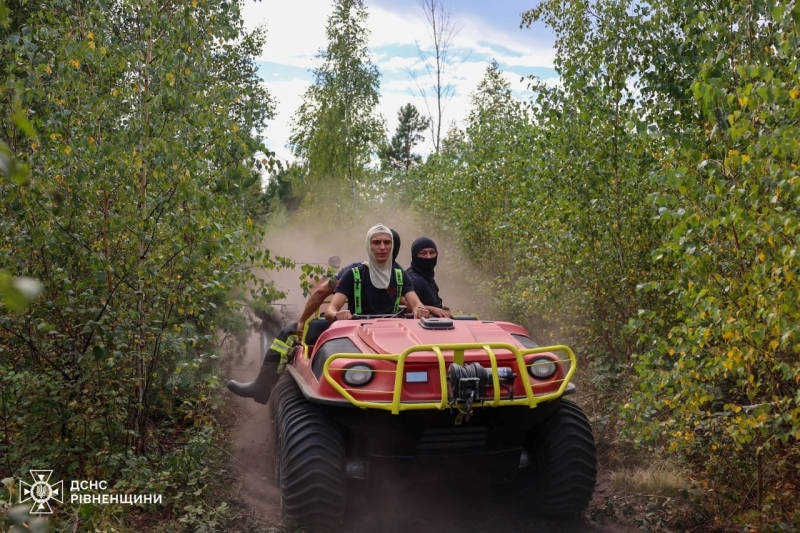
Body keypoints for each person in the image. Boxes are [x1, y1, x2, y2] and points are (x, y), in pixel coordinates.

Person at [226, 228, 403, 404]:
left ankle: (262, 387)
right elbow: (410, 303)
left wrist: (302, 320)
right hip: (393, 336)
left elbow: (320, 292)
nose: (382, 247)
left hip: (352, 330)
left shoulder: (353, 270)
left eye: (386, 243)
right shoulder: (401, 275)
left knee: (289, 333)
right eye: (378, 243)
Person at [325, 224, 429, 321]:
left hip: (393, 333)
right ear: (368, 246)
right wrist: (336, 314)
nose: (382, 247)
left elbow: (417, 304)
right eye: (376, 242)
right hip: (358, 335)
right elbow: (330, 309)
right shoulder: (352, 275)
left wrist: (419, 310)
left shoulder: (400, 276)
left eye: (387, 242)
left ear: (392, 246)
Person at [405, 236, 451, 318]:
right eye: (423, 253)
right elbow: (407, 307)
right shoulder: (415, 279)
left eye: (432, 252)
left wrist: (440, 309)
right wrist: (433, 309)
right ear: (415, 255)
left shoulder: (426, 276)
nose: (429, 257)